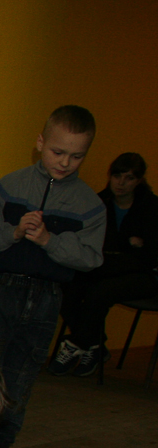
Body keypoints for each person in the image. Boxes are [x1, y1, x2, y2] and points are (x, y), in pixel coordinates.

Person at [0, 105, 104, 448]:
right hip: (0, 290)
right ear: (40, 142)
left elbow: (91, 258)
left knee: (20, 379)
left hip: (46, 298)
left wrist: (49, 241)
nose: (65, 162)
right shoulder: (9, 187)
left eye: (76, 156)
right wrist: (13, 232)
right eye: (58, 152)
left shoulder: (90, 204)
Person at [50, 153, 158, 376]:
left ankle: (77, 343)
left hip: (144, 274)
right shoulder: (98, 203)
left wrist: (128, 249)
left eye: (129, 178)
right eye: (117, 176)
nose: (121, 183)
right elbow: (92, 244)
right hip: (107, 267)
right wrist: (130, 244)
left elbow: (151, 254)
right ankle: (94, 344)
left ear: (139, 181)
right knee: (66, 284)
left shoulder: (152, 207)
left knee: (100, 291)